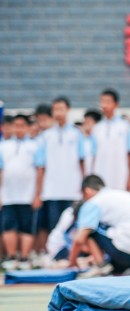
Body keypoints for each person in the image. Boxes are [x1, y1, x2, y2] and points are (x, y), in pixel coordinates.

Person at [68, 175, 130, 277]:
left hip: (127, 252)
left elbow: (79, 239)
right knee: (104, 229)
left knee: (89, 230)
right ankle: (124, 268)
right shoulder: (117, 194)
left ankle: (102, 267)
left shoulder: (93, 202)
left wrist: (71, 263)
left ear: (87, 191)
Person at [36, 96, 85, 254]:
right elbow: (41, 167)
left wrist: (83, 187)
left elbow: (82, 161)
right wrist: (39, 192)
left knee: (72, 225)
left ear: (68, 110)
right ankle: (55, 255)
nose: (58, 112)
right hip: (52, 191)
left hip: (72, 189)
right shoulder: (46, 136)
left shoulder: (77, 134)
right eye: (55, 109)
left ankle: (72, 256)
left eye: (61, 109)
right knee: (53, 226)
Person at [0, 114, 44, 270]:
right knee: (8, 226)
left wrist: (37, 194)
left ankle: (24, 258)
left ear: (27, 127)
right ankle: (12, 257)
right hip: (8, 195)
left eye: (22, 125)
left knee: (27, 226)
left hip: (27, 195)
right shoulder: (3, 146)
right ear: (11, 127)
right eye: (16, 125)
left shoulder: (35, 145)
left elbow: (40, 170)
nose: (18, 129)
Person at [91, 88, 130, 191]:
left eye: (108, 102)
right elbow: (94, 156)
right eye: (102, 102)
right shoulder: (97, 128)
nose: (104, 105)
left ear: (116, 104)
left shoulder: (125, 126)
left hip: (120, 177)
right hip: (100, 176)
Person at [81, 109, 101, 176]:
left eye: (88, 122)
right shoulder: (82, 140)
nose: (85, 125)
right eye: (85, 122)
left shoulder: (100, 140)